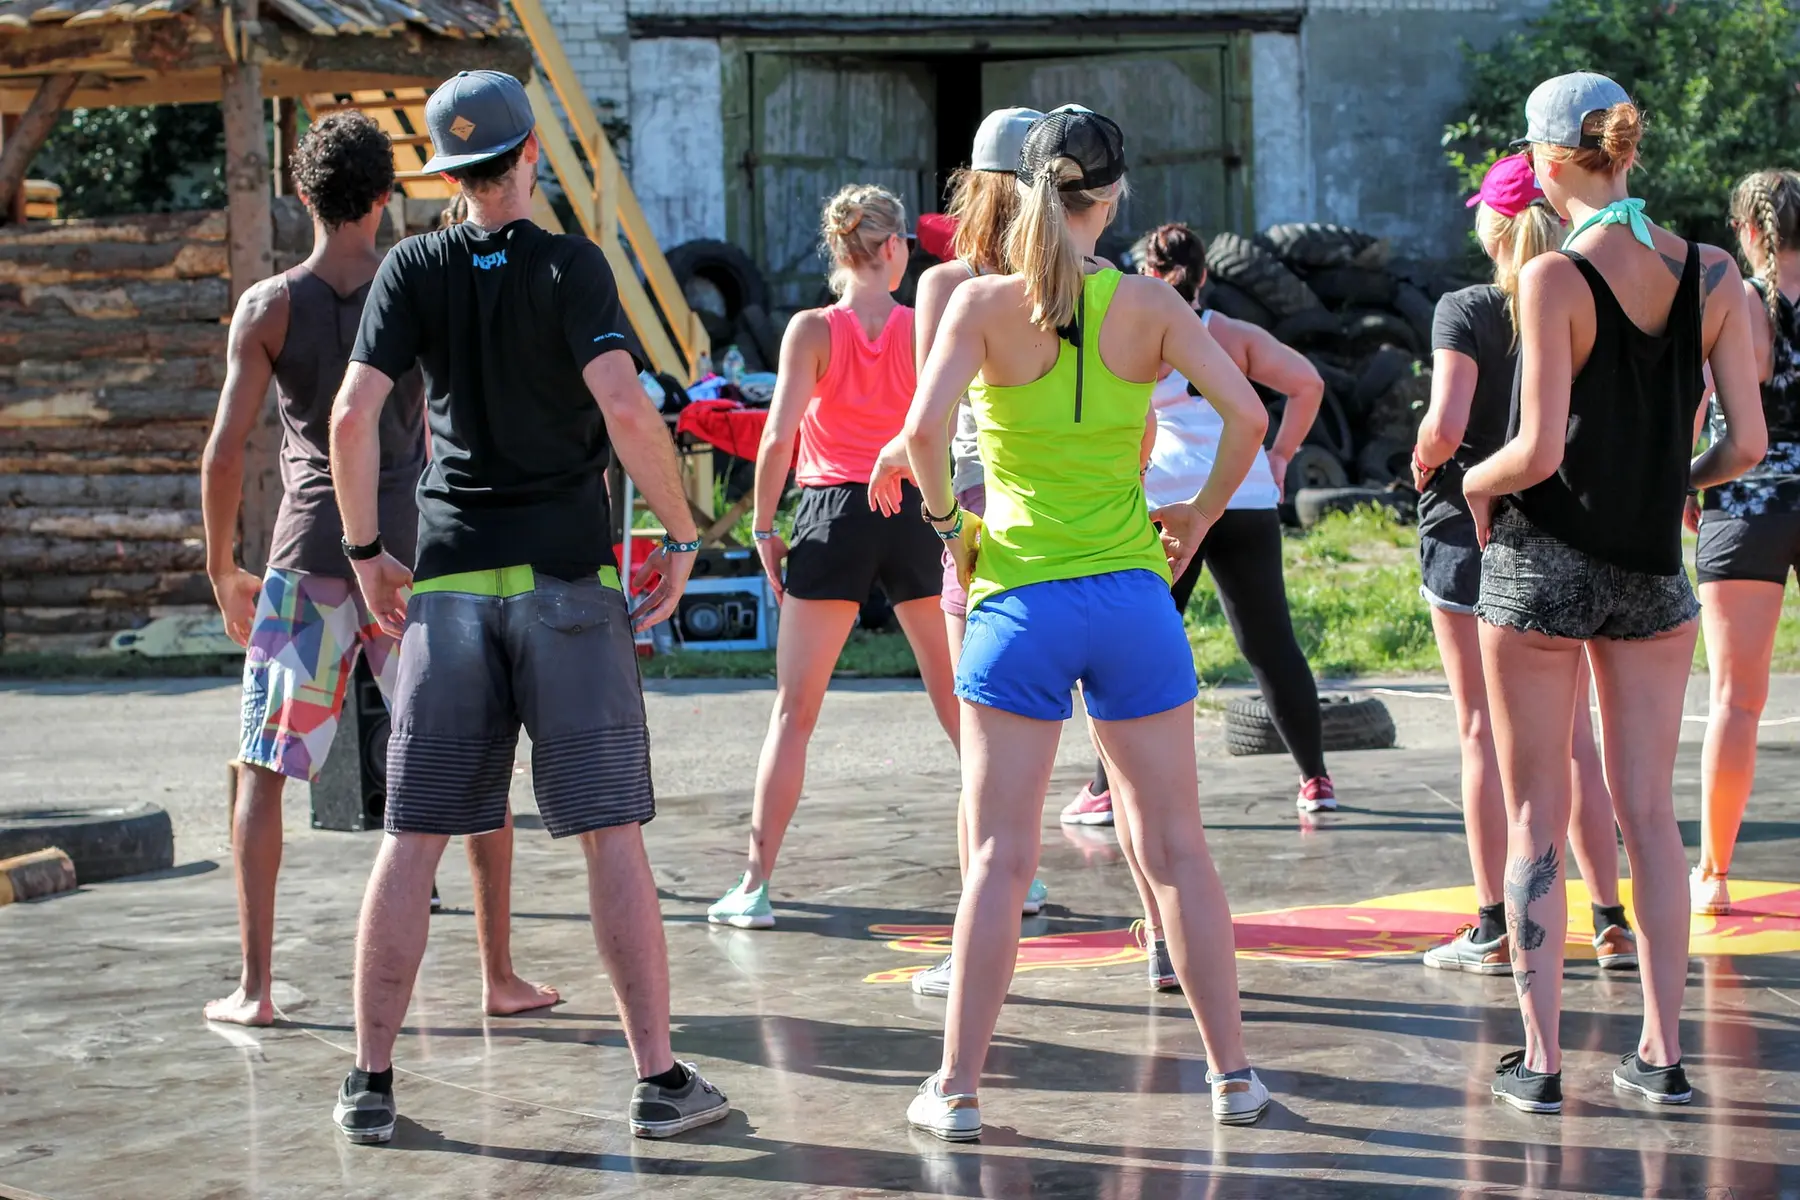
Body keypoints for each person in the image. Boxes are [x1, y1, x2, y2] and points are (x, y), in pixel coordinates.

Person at [326, 70, 729, 1144]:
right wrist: (681, 535)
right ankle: (659, 1083)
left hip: (450, 585)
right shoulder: (571, 266)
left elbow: (352, 417)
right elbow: (625, 406)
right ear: (532, 154)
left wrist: (366, 554)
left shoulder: (411, 266)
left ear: (449, 173)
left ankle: (369, 1087)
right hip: (565, 583)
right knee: (609, 838)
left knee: (412, 840)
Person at [900, 107, 1273, 1140]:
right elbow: (1250, 415)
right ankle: (1235, 1080)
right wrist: (1199, 513)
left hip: (1019, 601)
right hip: (1132, 602)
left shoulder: (980, 303)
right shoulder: (1151, 303)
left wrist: (952, 531)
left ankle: (956, 1092)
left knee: (998, 861)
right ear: (1111, 200)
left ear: (1023, 192)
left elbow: (923, 434)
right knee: (1179, 851)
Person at [198, 111, 554, 1028]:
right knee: (473, 759)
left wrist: (222, 568)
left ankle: (255, 989)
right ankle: (499, 977)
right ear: (388, 196)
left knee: (264, 769)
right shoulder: (424, 285)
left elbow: (224, 454)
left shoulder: (269, 307)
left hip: (309, 560)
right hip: (414, 560)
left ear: (303, 196)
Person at [1461, 73, 1764, 1114]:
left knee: (1536, 817)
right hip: (1651, 572)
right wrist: (1679, 481)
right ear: (1627, 150)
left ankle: (1541, 1063)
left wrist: (1473, 480)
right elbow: (1748, 443)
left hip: (1542, 565)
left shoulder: (1552, 276)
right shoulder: (1715, 272)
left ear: (1548, 164)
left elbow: (1537, 451)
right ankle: (1662, 1056)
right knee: (1650, 816)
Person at [708, 184, 959, 930]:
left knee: (794, 712)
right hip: (910, 505)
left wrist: (762, 526)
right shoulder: (922, 324)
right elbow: (942, 422)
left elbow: (778, 437)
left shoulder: (811, 329)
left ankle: (754, 886)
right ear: (892, 248)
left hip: (832, 512)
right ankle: (1019, 874)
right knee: (959, 701)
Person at [1412, 154, 1638, 977]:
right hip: (1566, 532)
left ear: (1494, 227)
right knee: (1575, 740)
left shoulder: (1468, 308)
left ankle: (1493, 926)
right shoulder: (1585, 296)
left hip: (1469, 532)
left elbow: (1446, 423)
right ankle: (1610, 921)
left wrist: (1423, 456)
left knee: (1481, 731)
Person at [865, 107, 1052, 998]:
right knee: (1124, 756)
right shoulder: (1095, 278)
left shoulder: (950, 284)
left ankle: (978, 943)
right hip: (1090, 514)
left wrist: (944, 524)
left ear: (974, 187)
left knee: (983, 744)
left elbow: (929, 417)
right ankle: (1166, 938)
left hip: (985, 513)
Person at [1066, 222, 1336, 834]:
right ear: (1206, 275)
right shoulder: (1231, 334)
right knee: (1270, 643)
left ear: (1145, 273)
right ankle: (1315, 779)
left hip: (1169, 503)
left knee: (1140, 644)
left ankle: (1106, 790)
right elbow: (1308, 383)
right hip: (1243, 495)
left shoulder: (1134, 327)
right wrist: (1280, 456)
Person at [1691, 169, 1800, 916]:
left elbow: (1700, 404)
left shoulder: (1738, 299)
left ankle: (1715, 873)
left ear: (1750, 231)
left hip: (1747, 501)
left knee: (1735, 699)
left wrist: (1684, 482)